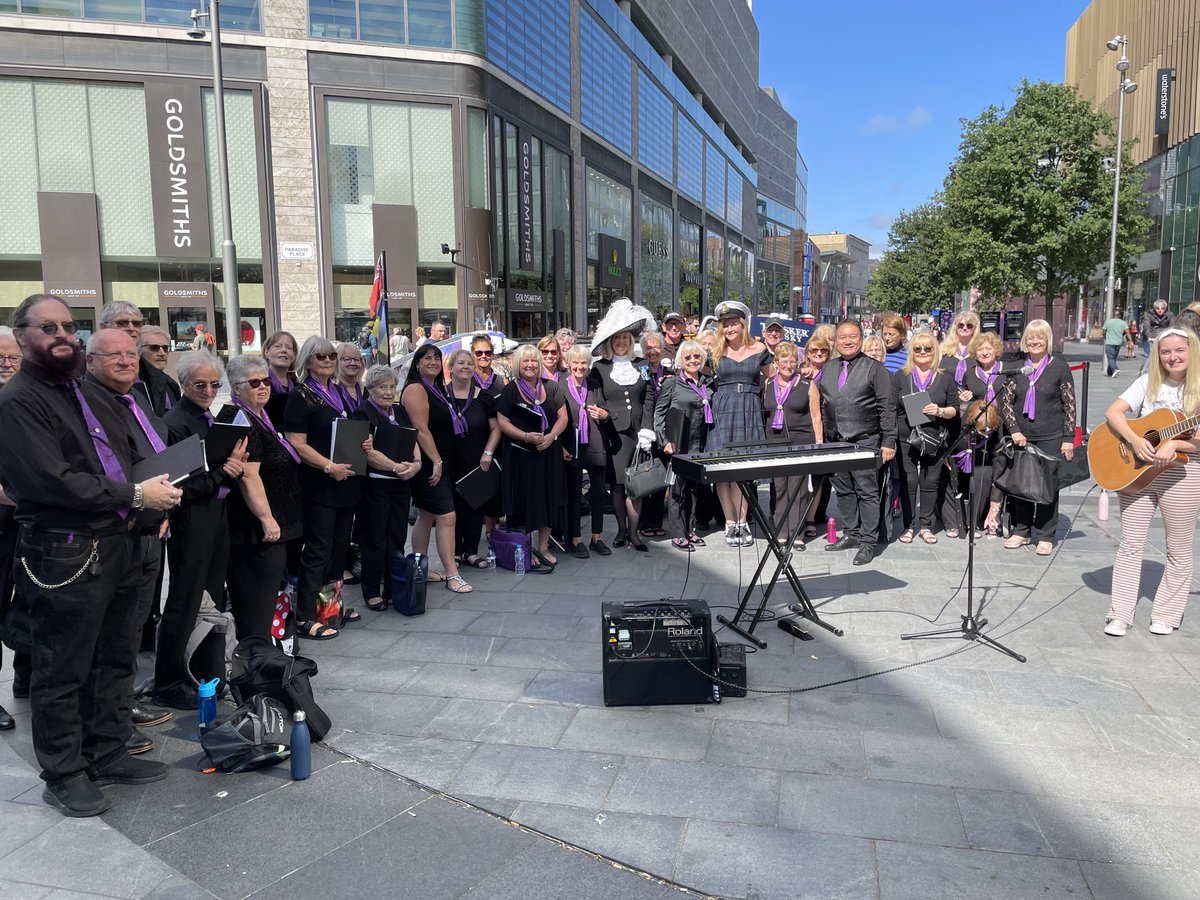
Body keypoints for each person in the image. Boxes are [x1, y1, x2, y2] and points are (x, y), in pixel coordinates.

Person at [0, 294, 180, 816]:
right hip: (64, 549)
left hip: (118, 541)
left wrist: (154, 493)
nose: (61, 335)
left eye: (68, 325)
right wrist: (135, 496)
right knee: (62, 668)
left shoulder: (77, 389)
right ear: (22, 335)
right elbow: (50, 481)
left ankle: (106, 749)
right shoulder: (18, 400)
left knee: (115, 656)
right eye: (47, 327)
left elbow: (123, 452)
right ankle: (64, 771)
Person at [83, 330, 176, 751]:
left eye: (129, 354)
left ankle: (119, 710)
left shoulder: (134, 396)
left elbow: (147, 455)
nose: (127, 360)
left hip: (150, 523)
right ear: (89, 361)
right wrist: (142, 502)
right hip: (113, 531)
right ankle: (108, 723)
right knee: (111, 637)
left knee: (130, 630)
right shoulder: (87, 401)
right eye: (114, 355)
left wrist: (161, 507)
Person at [154, 352, 248, 707]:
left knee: (208, 599)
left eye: (215, 384)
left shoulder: (206, 417)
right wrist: (225, 473)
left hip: (215, 513)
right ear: (183, 384)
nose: (209, 390)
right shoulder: (176, 421)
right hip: (192, 518)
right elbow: (181, 487)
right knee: (186, 599)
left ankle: (201, 670)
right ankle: (169, 680)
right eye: (200, 384)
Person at [1103, 327, 1200, 636]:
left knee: (1178, 549)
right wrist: (1133, 439)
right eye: (1166, 351)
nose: (1173, 357)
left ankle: (1167, 614)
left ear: (1192, 352)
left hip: (1182, 472)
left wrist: (1177, 444)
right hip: (1140, 471)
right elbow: (1113, 412)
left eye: (1179, 351)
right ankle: (1120, 613)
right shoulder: (1148, 382)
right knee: (1130, 544)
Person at [284, 336, 366, 639]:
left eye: (332, 355)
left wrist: (363, 442)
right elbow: (296, 442)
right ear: (307, 360)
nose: (328, 360)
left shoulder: (339, 392)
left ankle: (329, 610)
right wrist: (328, 467)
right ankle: (305, 616)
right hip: (320, 483)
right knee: (318, 549)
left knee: (338, 548)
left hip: (346, 481)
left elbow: (350, 427)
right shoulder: (301, 395)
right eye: (321, 357)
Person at [220, 355, 304, 638]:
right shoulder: (241, 419)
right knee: (257, 598)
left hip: (274, 522)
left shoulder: (260, 415)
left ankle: (263, 649)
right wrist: (267, 520)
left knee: (267, 595)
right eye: (254, 382)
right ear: (236, 387)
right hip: (255, 530)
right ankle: (255, 655)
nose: (263, 386)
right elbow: (249, 476)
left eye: (266, 380)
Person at [819, 320, 897, 566]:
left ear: (861, 339)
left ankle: (868, 542)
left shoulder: (874, 368)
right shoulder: (829, 368)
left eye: (852, 336)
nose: (847, 341)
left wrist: (889, 441)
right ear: (836, 341)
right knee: (843, 491)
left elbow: (887, 408)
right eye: (842, 337)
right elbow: (825, 404)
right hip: (836, 441)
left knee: (867, 492)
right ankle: (851, 533)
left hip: (866, 440)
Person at [999, 319, 1077, 555]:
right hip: (1023, 436)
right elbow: (1006, 403)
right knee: (1022, 485)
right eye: (1031, 337)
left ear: (1047, 341)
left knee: (1048, 487)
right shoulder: (1018, 367)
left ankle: (1045, 534)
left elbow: (1069, 404)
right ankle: (1021, 531)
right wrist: (1014, 430)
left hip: (1051, 435)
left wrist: (1068, 437)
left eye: (1040, 337)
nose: (1034, 341)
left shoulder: (1059, 367)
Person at [589, 299, 659, 552]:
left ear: (631, 341)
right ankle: (620, 529)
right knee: (619, 484)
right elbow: (597, 401)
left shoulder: (641, 366)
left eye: (625, 338)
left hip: (640, 433)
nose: (621, 342)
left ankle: (634, 532)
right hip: (615, 435)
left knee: (638, 484)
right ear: (610, 342)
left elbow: (650, 397)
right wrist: (608, 416)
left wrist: (648, 428)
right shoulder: (599, 368)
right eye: (616, 338)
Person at [401, 344, 472, 593]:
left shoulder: (436, 388)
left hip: (442, 462)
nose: (432, 361)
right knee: (446, 517)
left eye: (436, 358)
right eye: (426, 358)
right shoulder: (416, 388)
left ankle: (419, 568)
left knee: (426, 515)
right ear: (417, 363)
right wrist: (437, 461)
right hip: (431, 464)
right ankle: (452, 574)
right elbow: (420, 429)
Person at [496, 343, 569, 568]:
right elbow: (502, 422)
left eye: (534, 361)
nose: (530, 365)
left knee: (549, 498)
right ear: (518, 364)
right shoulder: (509, 390)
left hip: (548, 452)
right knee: (523, 500)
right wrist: (525, 436)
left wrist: (552, 437)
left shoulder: (553, 387)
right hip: (521, 455)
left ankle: (543, 546)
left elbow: (563, 417)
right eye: (525, 361)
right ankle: (524, 546)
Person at [353, 365, 420, 612]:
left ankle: (394, 587)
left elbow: (412, 438)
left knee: (397, 538)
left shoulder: (399, 411)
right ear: (370, 389)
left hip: (400, 486)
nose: (388, 391)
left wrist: (417, 464)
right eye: (382, 387)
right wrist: (396, 468)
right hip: (376, 486)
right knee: (375, 540)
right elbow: (367, 453)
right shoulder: (362, 413)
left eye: (392, 386)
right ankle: (371, 590)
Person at [710, 300, 773, 547]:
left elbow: (770, 382)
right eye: (725, 324)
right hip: (722, 410)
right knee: (722, 472)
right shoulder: (714, 351)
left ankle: (743, 522)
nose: (729, 328)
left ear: (743, 324)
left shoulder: (759, 348)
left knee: (742, 471)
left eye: (734, 323)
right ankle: (729, 522)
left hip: (748, 409)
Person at [893, 333, 957, 545]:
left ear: (935, 351)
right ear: (912, 351)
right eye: (918, 349)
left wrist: (940, 410)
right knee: (909, 482)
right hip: (906, 438)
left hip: (934, 438)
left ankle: (926, 526)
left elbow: (955, 410)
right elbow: (891, 408)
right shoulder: (901, 376)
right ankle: (909, 527)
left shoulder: (945, 377)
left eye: (927, 349)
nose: (922, 353)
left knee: (930, 482)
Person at [762, 341, 822, 547]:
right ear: (776, 362)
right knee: (779, 487)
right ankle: (780, 530)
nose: (788, 365)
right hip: (775, 441)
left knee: (798, 487)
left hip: (801, 440)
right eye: (784, 361)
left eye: (792, 361)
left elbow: (816, 416)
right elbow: (767, 412)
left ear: (798, 363)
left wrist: (819, 443)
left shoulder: (807, 384)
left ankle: (797, 532)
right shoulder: (768, 383)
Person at [445, 349, 500, 569]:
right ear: (450, 368)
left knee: (474, 507)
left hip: (476, 460)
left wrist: (488, 452)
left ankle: (471, 551)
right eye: (461, 363)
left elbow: (495, 429)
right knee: (452, 509)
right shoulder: (440, 395)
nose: (466, 367)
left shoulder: (483, 397)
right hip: (449, 461)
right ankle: (454, 552)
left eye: (469, 363)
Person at [656, 339, 712, 551]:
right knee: (677, 490)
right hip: (678, 444)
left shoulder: (707, 382)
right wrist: (664, 441)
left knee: (694, 489)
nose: (693, 360)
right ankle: (678, 533)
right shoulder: (672, 383)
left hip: (700, 444)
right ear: (681, 359)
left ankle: (691, 530)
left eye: (696, 356)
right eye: (688, 357)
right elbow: (659, 414)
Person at [955, 331, 1007, 536]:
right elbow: (968, 405)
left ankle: (995, 514)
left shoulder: (1005, 371)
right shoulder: (971, 373)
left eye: (988, 348)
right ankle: (977, 520)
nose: (984, 352)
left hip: (1002, 429)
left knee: (1000, 470)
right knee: (982, 473)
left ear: (996, 350)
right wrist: (965, 397)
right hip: (981, 433)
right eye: (980, 349)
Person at [562, 345, 610, 558]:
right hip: (572, 447)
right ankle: (575, 538)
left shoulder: (594, 386)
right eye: (576, 362)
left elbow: (605, 411)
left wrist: (603, 414)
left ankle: (597, 537)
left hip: (595, 445)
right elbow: (558, 420)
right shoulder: (560, 388)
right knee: (574, 494)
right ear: (568, 364)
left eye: (584, 363)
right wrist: (561, 446)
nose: (580, 367)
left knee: (599, 493)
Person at [637, 330, 670, 539]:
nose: (652, 351)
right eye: (647, 348)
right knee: (644, 474)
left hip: (664, 431)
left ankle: (656, 521)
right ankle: (643, 522)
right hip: (644, 430)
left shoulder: (669, 372)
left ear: (662, 348)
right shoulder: (639, 370)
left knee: (660, 476)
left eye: (655, 347)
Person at [137, 326, 181, 416]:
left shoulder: (171, 384)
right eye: (154, 348)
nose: (162, 353)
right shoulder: (133, 384)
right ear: (139, 350)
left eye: (165, 348)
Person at [262, 329, 298, 423]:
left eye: (289, 348)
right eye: (278, 346)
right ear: (266, 352)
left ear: (293, 356)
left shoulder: (298, 385)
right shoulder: (259, 383)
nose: (283, 350)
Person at [940, 310, 981, 388]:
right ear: (955, 326)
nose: (965, 328)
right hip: (947, 394)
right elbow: (935, 371)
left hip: (971, 396)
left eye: (969, 325)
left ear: (975, 328)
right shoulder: (944, 346)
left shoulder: (979, 348)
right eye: (961, 325)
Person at [1140, 300, 1173, 374]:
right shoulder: (1149, 315)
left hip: (1163, 336)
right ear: (1154, 308)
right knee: (1149, 355)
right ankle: (1142, 373)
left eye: (1162, 308)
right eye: (1158, 308)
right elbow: (1146, 326)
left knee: (1165, 355)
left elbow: (1172, 327)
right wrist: (1149, 337)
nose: (1160, 310)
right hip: (1151, 337)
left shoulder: (1170, 315)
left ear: (1165, 308)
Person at [335, 342, 366, 411]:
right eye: (347, 359)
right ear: (337, 361)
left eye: (356, 359)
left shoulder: (368, 392)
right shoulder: (332, 392)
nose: (353, 363)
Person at [1103, 309, 1128, 377]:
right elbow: (1128, 332)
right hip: (1118, 343)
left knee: (1110, 358)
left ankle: (1115, 369)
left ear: (1113, 315)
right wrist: (1130, 341)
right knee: (1113, 358)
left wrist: (1105, 337)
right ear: (1120, 315)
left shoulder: (1108, 322)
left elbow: (1103, 332)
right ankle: (1110, 372)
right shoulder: (1123, 323)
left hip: (1110, 342)